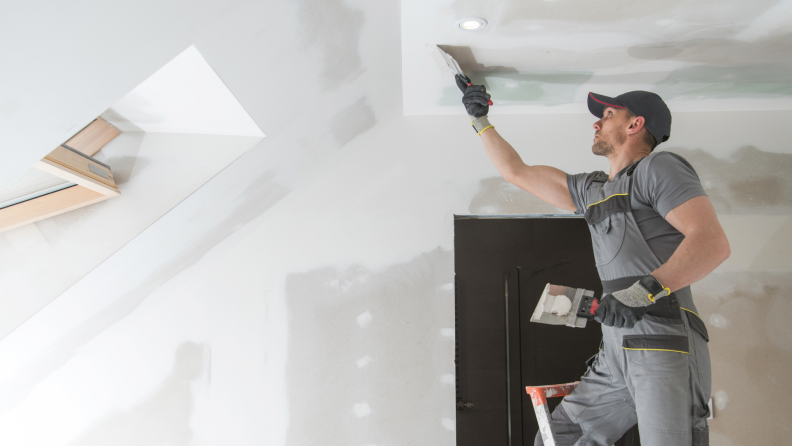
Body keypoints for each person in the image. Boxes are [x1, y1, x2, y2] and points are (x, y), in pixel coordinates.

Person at [457, 75, 730, 446]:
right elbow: (516, 172)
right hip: (616, 348)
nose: (596, 122)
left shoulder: (658, 169)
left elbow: (712, 243)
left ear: (636, 125)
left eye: (608, 114)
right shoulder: (593, 190)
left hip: (663, 337)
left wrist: (642, 293)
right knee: (559, 438)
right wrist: (480, 120)